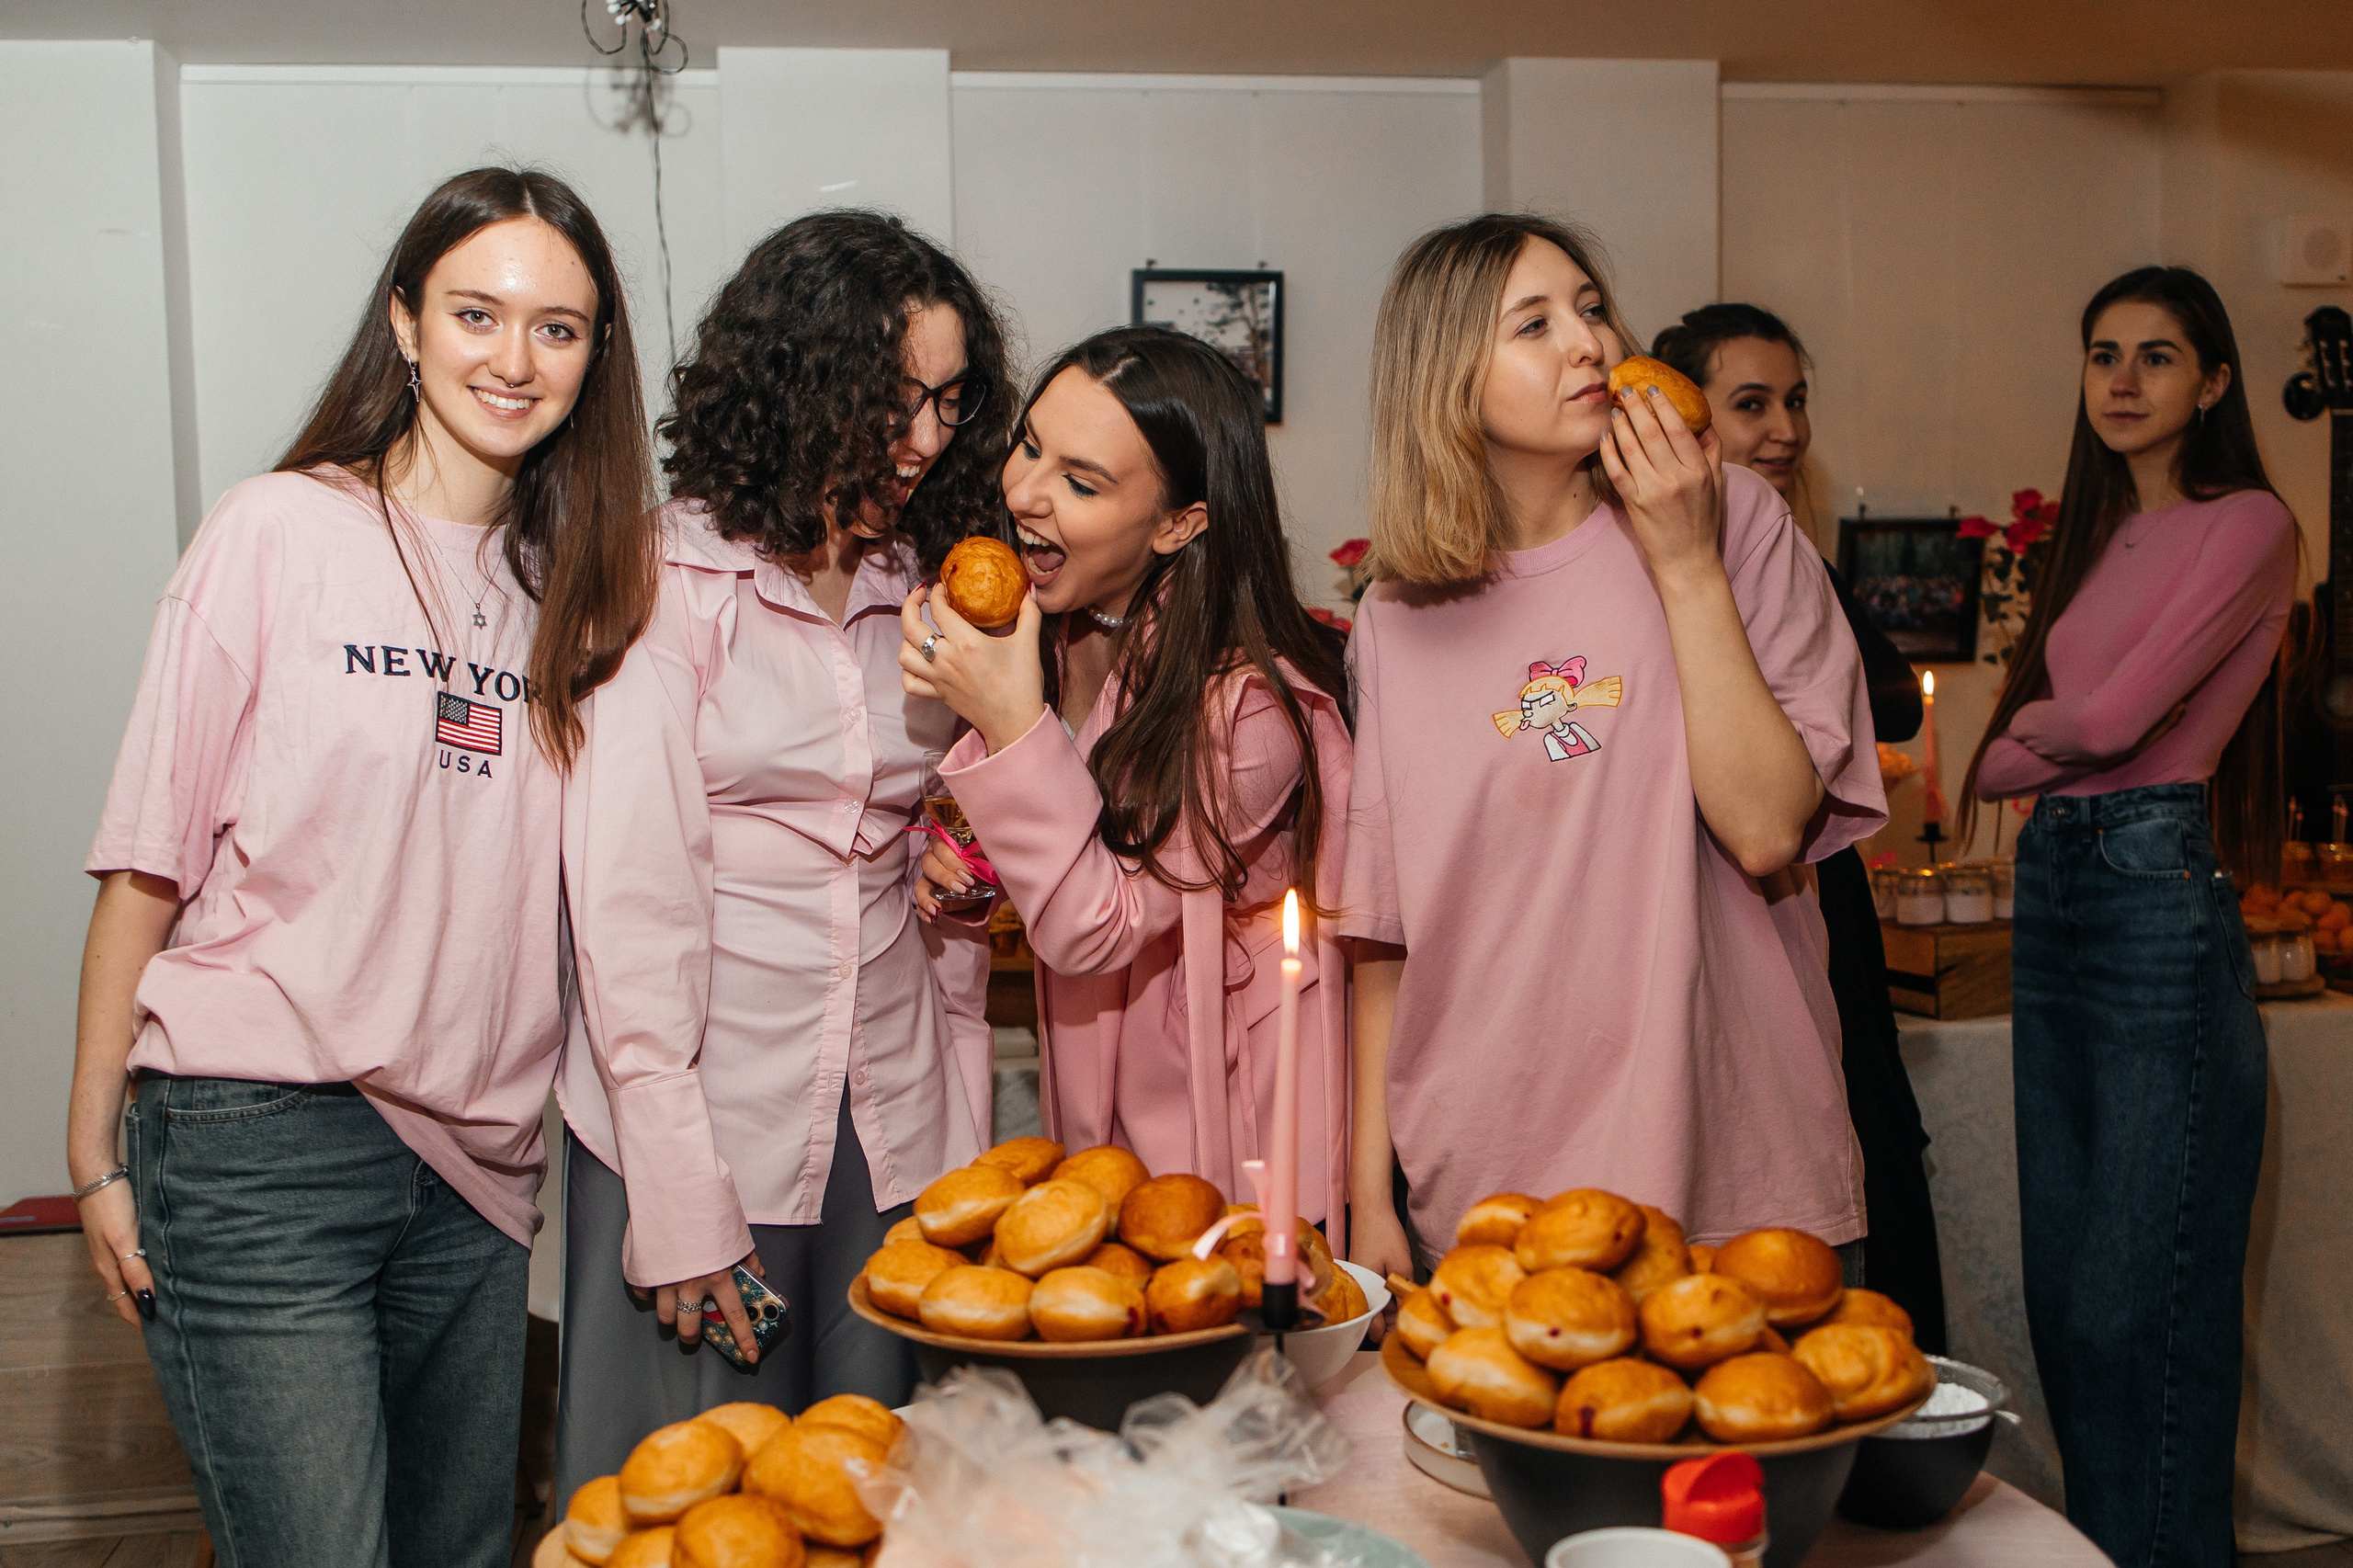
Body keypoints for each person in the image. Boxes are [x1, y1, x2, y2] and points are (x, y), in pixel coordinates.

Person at [66, 168, 657, 1565]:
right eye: (476, 312)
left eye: (558, 328)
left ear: (595, 357)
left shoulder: (587, 583)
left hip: (480, 1161)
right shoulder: (274, 532)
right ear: (404, 322)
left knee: (460, 1550)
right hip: (260, 1131)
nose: (514, 360)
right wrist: (93, 1148)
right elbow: (148, 859)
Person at [554, 211, 1007, 1504]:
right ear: (801, 387)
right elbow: (628, 912)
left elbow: (938, 835)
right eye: (891, 402)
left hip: (891, 1113)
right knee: (699, 1500)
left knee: (869, 1490)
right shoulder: (661, 578)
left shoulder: (923, 585)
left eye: (947, 402)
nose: (924, 441)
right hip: (702, 1114)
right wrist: (681, 1201)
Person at [1341, 213, 1885, 1284]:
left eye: (1591, 307)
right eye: (1533, 324)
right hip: (1487, 1184)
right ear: (1447, 376)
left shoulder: (1740, 526)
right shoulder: (1394, 618)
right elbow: (1386, 933)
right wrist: (1368, 1193)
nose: (1588, 342)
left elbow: (1769, 825)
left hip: (1735, 1176)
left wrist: (1684, 564)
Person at [1961, 266, 2293, 1568]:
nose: (2123, 378)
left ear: (2212, 384)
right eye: (2104, 352)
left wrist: (2058, 739)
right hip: (2053, 882)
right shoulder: (2093, 545)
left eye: (2158, 356)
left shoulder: (2250, 520)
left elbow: (2100, 724)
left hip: (2156, 881)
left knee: (2141, 1302)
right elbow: (1988, 766)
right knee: (2069, 1307)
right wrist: (2061, 742)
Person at [901, 325, 1354, 1234]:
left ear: (1179, 523)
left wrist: (1007, 716)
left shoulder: (1255, 710)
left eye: (1081, 480)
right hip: (1094, 1085)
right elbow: (1025, 851)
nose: (1024, 492)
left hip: (1228, 1121)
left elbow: (1093, 925)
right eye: (1029, 445)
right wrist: (951, 873)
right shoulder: (1046, 634)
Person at [1652, 302, 1948, 1352]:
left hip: (1811, 903)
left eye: (1794, 401)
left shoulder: (1779, 556)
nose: (1784, 428)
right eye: (1750, 404)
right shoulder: (1666, 565)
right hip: (1721, 916)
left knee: (1849, 1144)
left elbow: (1889, 701)